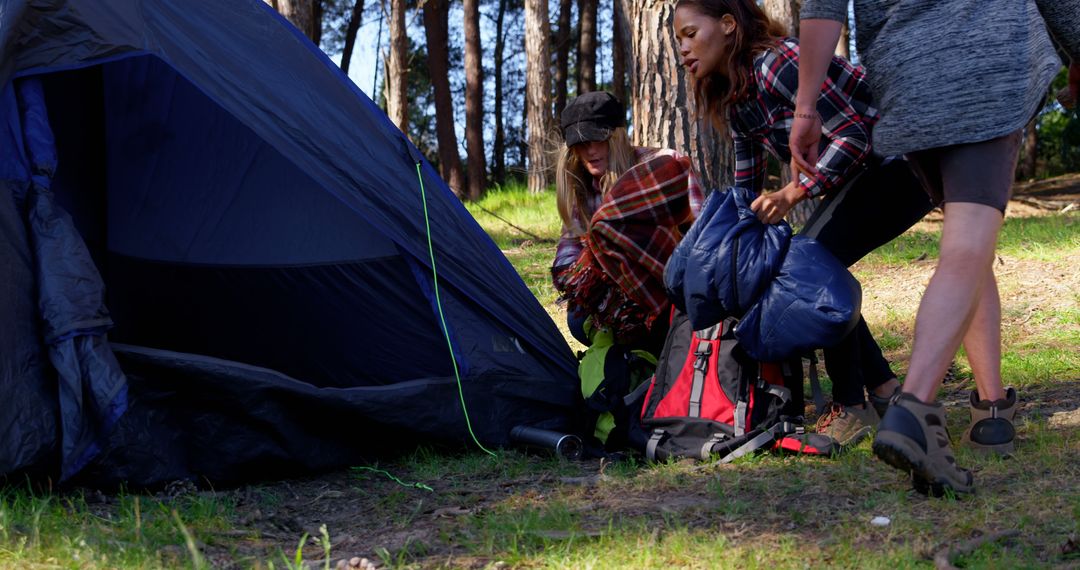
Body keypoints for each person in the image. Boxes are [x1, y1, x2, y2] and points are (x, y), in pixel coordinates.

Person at [792, 0, 1080, 495]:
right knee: (968, 246)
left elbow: (824, 4)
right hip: (989, 64)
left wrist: (805, 105)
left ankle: (992, 411)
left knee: (969, 240)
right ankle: (915, 409)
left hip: (907, 75)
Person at [672, 0, 933, 448]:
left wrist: (793, 193)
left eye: (690, 34)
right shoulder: (737, 99)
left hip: (902, 165)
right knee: (800, 266)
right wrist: (725, 248)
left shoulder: (777, 64)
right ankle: (887, 392)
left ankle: (853, 406)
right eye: (678, 40)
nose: (682, 49)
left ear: (729, 25)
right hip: (861, 177)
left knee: (809, 270)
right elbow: (745, 187)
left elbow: (855, 134)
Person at [551, 91, 704, 354]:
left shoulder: (662, 165)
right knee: (577, 320)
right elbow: (568, 250)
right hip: (619, 299)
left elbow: (699, 231)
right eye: (580, 142)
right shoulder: (582, 188)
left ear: (617, 135)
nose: (589, 150)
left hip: (672, 287)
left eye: (597, 139)